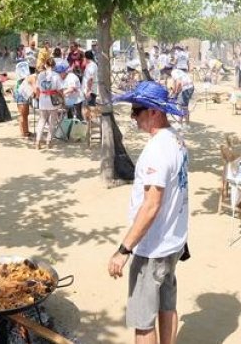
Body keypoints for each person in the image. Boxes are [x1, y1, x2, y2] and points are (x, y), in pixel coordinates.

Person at [107, 81, 189, 344]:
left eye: (137, 110)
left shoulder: (157, 150)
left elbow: (151, 205)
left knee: (142, 322)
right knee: (167, 306)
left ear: (154, 112)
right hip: (173, 241)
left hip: (153, 247)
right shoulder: (176, 139)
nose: (133, 116)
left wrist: (124, 250)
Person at [35, 61, 65, 150]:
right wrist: (63, 98)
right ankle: (49, 141)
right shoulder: (56, 75)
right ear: (54, 66)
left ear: (45, 65)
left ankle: (38, 141)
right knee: (52, 121)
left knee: (42, 120)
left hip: (42, 99)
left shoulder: (40, 75)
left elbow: (37, 88)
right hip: (53, 100)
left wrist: (37, 98)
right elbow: (60, 90)